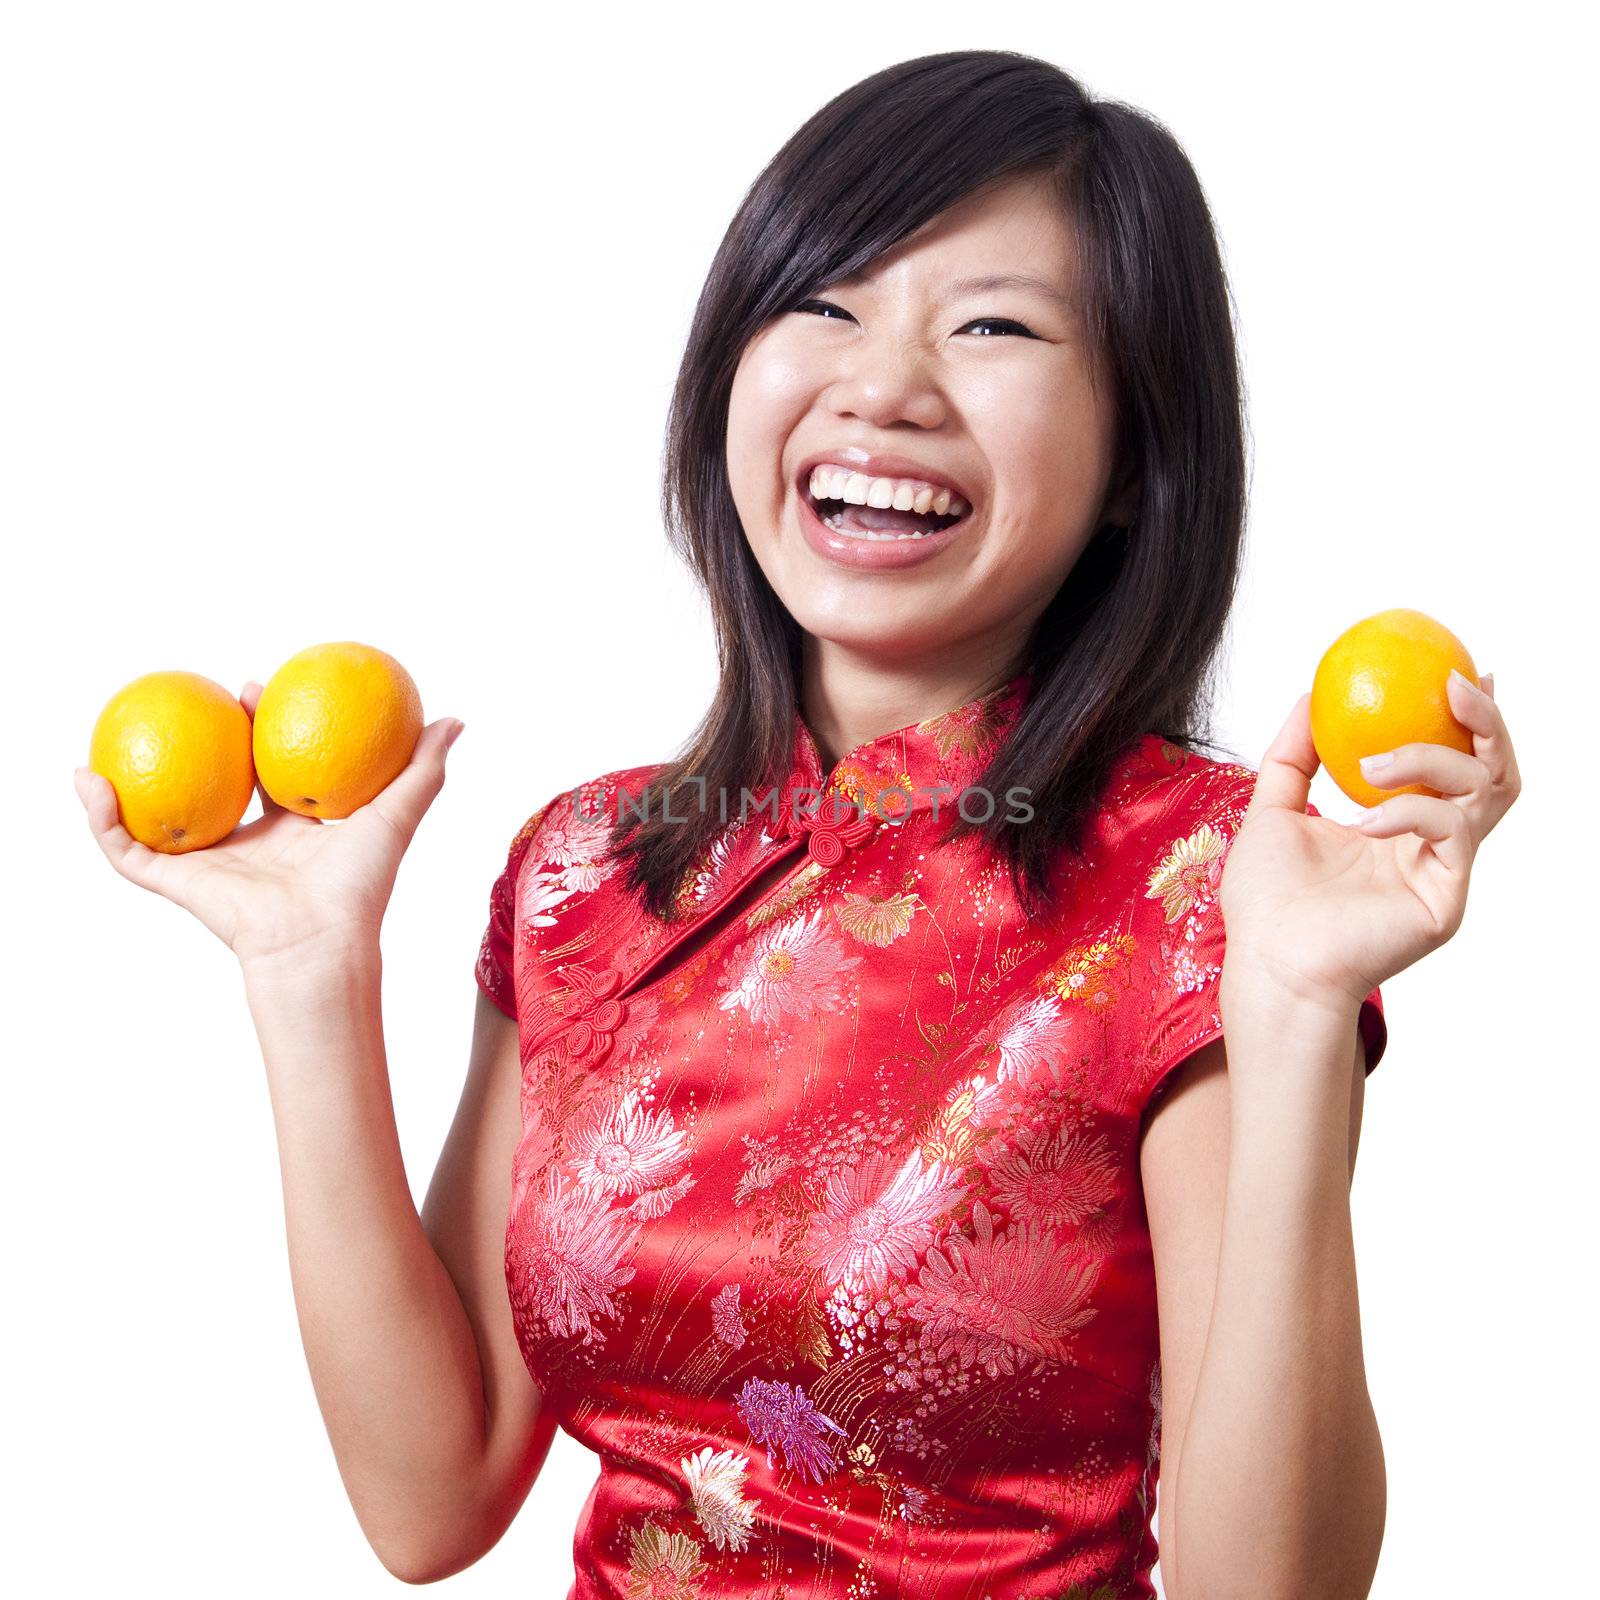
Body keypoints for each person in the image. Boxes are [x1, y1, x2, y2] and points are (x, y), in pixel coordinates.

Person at [73, 49, 1521, 1600]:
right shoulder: (587, 872)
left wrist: (1296, 1015)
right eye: (824, 303)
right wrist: (309, 979)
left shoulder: (1215, 886)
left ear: (1133, 460)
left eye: (993, 327)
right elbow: (434, 1496)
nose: (883, 386)